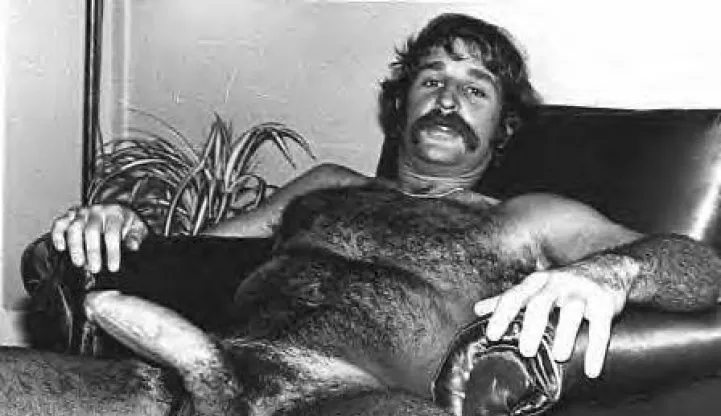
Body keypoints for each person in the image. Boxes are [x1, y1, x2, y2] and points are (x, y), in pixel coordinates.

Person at [50, 12, 721, 384]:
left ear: (504, 128)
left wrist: (609, 273)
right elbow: (199, 254)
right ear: (401, 107)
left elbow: (700, 266)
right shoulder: (327, 186)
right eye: (430, 81)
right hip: (212, 376)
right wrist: (122, 225)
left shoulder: (527, 216)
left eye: (475, 89)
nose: (448, 98)